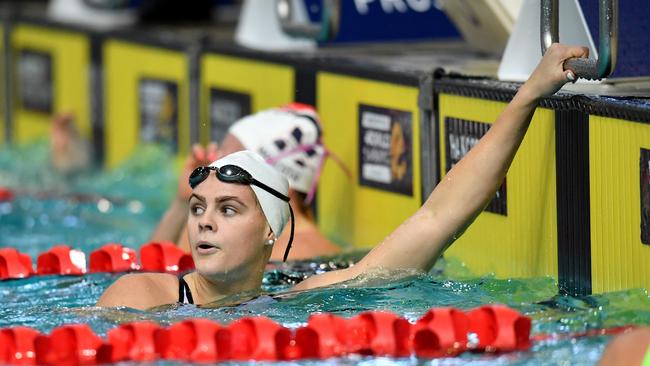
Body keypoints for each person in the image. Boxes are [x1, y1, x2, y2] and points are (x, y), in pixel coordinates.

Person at [97, 43, 587, 310]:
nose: (204, 222)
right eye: (198, 207)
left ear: (272, 230)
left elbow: (438, 217)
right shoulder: (141, 297)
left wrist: (527, 96)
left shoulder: (302, 300)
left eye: (229, 209)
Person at [149, 103, 343, 261]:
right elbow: (151, 273)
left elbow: (183, 288)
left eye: (230, 165)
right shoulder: (249, 245)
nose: (213, 167)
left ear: (278, 182)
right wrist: (183, 201)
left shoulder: (291, 255)